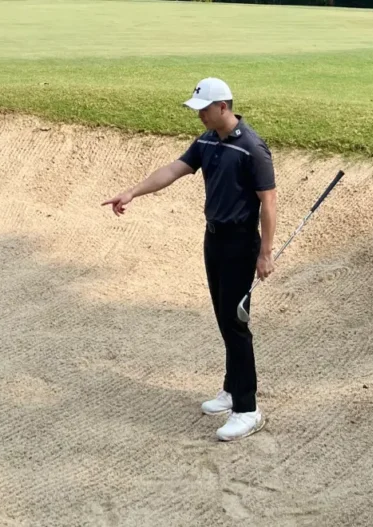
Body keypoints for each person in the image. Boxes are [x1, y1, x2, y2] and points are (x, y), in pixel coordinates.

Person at [102, 77, 277, 442]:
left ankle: (248, 409)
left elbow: (269, 202)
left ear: (223, 107)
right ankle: (231, 389)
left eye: (203, 109)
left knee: (236, 324)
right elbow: (173, 170)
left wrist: (265, 253)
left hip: (241, 244)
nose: (198, 115)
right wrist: (132, 191)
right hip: (213, 240)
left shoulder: (252, 148)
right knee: (223, 317)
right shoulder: (208, 140)